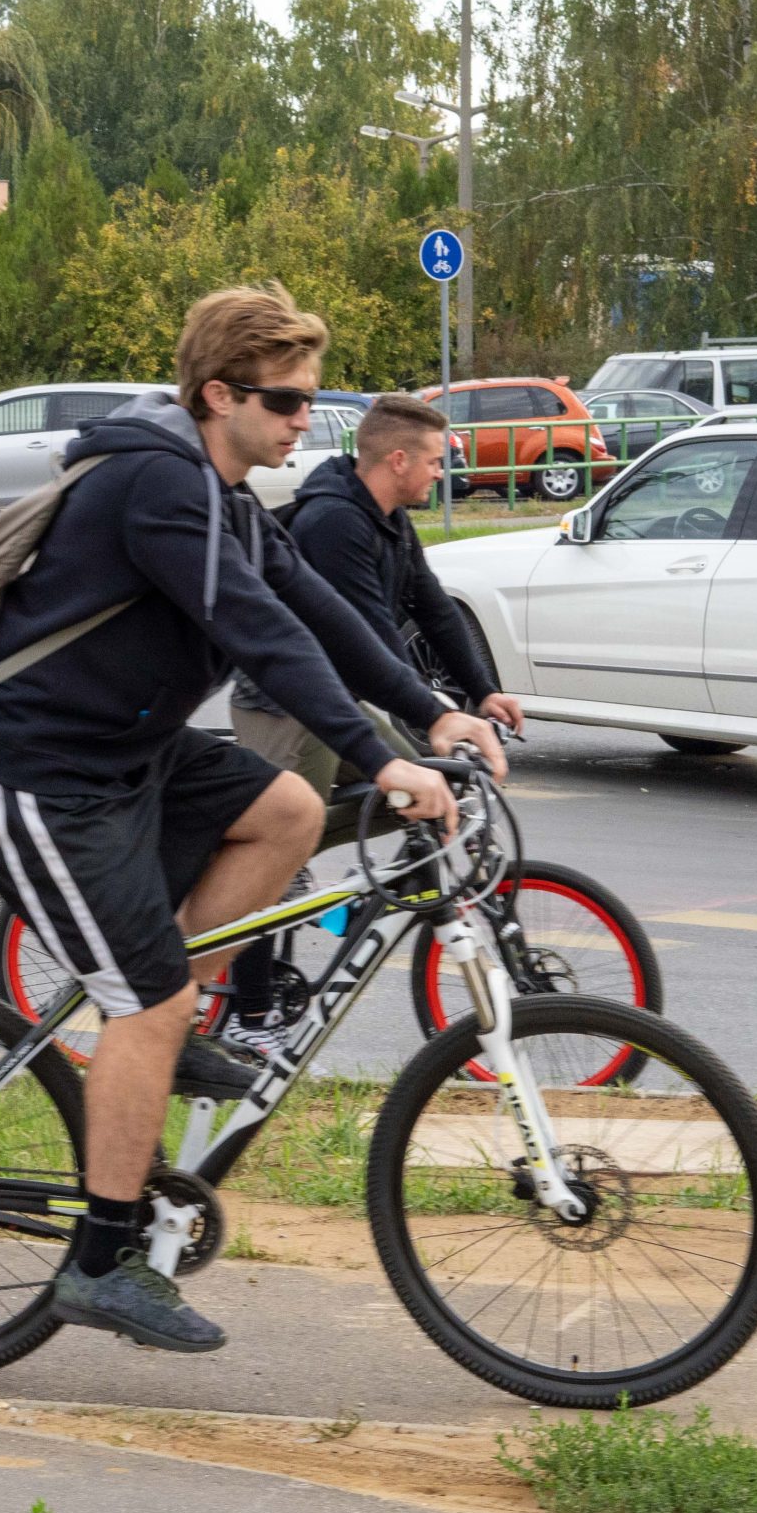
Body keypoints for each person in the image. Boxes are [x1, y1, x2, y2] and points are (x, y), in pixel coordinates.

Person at [0, 285, 507, 1354]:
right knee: (144, 1002)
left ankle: (171, 1029)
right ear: (217, 395)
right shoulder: (157, 485)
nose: (302, 421)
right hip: (30, 771)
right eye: (284, 401)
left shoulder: (226, 497)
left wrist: (432, 711)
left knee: (286, 808)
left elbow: (315, 613)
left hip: (125, 755)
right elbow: (258, 635)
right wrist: (383, 758)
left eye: (310, 402)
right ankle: (102, 1261)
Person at [224, 393, 525, 1055]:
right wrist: (432, 713)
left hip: (336, 704)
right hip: (285, 703)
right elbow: (370, 636)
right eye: (435, 461)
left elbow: (433, 607)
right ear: (398, 461)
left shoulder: (387, 518)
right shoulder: (334, 523)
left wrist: (482, 692)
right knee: (276, 848)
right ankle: (250, 1016)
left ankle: (325, 888)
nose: (442, 473)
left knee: (425, 793)